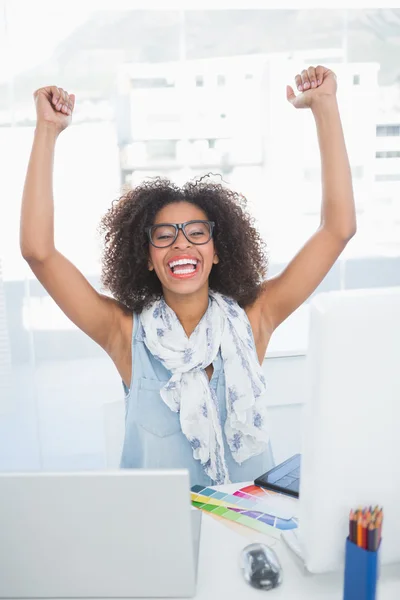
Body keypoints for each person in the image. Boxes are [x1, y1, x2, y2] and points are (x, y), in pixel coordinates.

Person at [20, 65, 356, 486]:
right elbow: (38, 252)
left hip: (248, 534)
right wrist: (47, 130)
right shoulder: (124, 333)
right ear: (146, 258)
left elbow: (337, 229)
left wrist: (324, 107)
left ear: (217, 252)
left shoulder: (255, 319)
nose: (182, 244)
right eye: (164, 236)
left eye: (197, 233)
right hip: (159, 541)